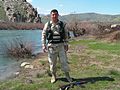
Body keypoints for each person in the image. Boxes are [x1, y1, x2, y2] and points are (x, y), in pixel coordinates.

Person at [42, 9, 72, 83]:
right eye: (53, 14)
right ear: (51, 16)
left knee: (64, 62)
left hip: (61, 46)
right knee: (52, 63)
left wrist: (66, 44)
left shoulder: (62, 24)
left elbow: (66, 35)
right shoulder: (47, 24)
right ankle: (53, 76)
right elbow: (43, 35)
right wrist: (43, 45)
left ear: (58, 15)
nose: (54, 16)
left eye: (56, 14)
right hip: (51, 47)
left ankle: (67, 76)